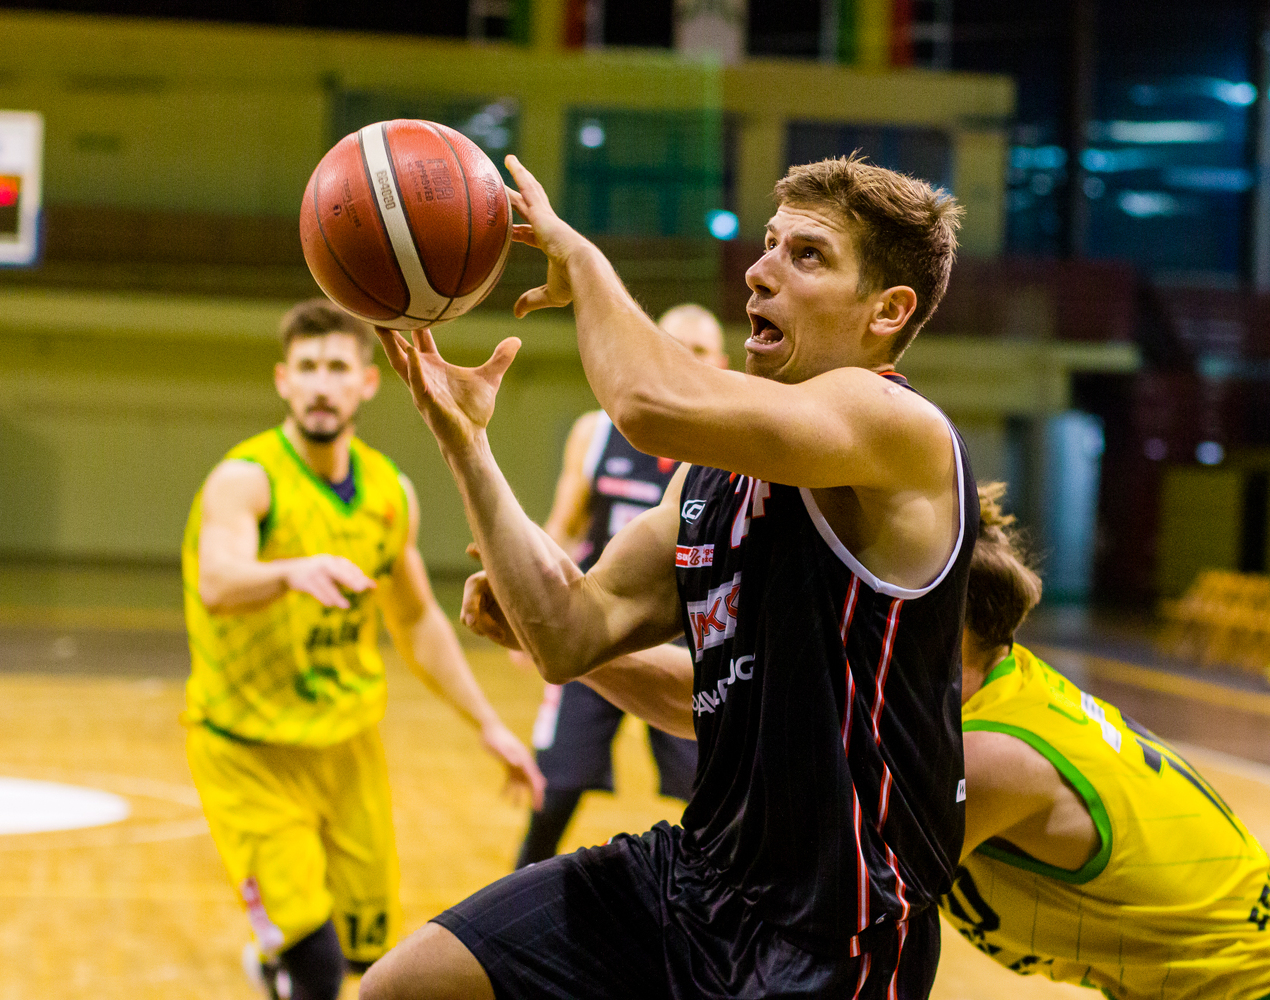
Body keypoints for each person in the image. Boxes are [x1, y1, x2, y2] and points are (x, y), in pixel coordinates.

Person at [364, 153, 975, 1000]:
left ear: (888, 310)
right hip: (697, 878)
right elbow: (571, 632)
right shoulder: (708, 480)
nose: (760, 271)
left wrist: (581, 258)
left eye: (807, 255)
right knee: (405, 985)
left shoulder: (896, 424)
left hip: (835, 934)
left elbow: (645, 404)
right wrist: (467, 444)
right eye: (769, 244)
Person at [526, 483, 1270, 999]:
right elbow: (758, 717)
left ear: (937, 630)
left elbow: (782, 783)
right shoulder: (983, 697)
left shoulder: (989, 756)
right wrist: (573, 644)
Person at [182, 300, 545, 1000]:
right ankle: (286, 962)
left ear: (367, 383)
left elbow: (416, 620)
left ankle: (274, 966)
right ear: (284, 380)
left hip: (348, 749)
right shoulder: (248, 479)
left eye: (337, 368)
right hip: (249, 753)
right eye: (308, 368)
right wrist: (290, 571)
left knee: (369, 956)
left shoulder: (388, 491)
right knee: (317, 964)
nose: (321, 384)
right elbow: (218, 581)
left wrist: (488, 724)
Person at [513, 303, 727, 869]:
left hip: (692, 643)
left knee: (709, 797)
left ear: (722, 363)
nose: (684, 357)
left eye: (699, 350)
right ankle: (517, 893)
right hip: (602, 625)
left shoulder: (729, 445)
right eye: (672, 343)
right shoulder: (598, 431)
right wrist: (533, 608)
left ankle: (714, 905)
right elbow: (565, 527)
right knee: (556, 786)